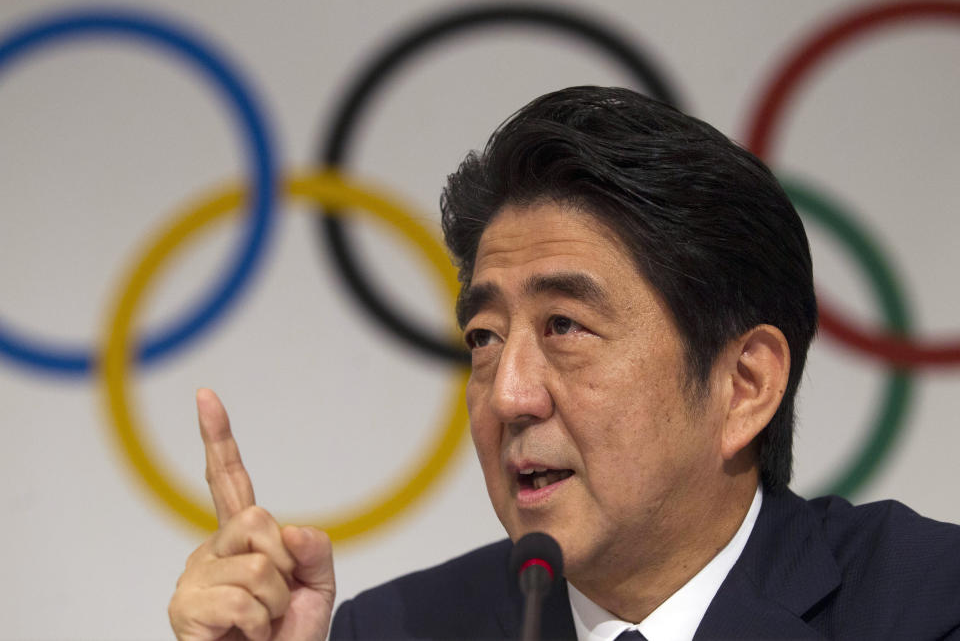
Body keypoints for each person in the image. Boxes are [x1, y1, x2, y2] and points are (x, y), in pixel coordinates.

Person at [168, 86, 960, 640]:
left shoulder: (926, 605)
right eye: (483, 337)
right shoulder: (396, 630)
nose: (509, 395)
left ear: (743, 385)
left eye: (565, 327)